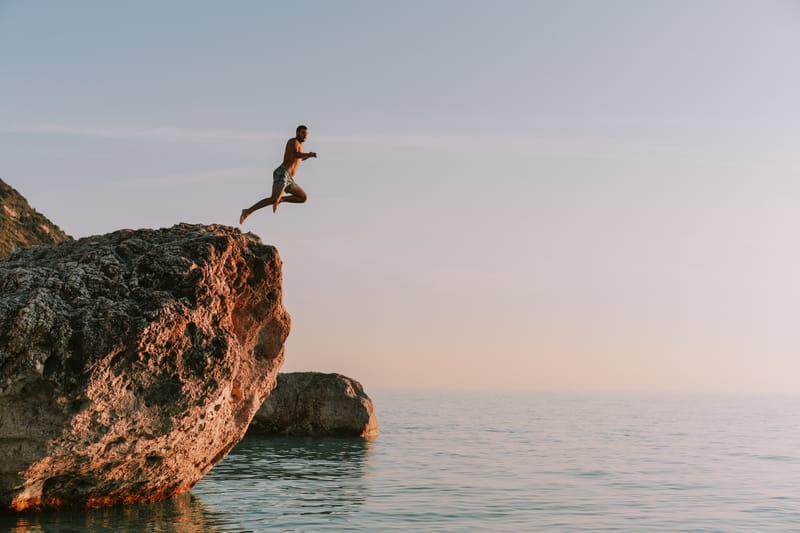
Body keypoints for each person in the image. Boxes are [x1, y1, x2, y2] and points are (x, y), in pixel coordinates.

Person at [240, 125, 317, 224]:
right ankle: (247, 211)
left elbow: (300, 158)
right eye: (303, 133)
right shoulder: (293, 142)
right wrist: (308, 154)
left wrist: (308, 156)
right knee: (273, 199)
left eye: (306, 134)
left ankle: (281, 199)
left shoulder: (301, 146)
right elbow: (295, 154)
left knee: (303, 197)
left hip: (289, 178)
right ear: (297, 133)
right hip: (282, 173)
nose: (305, 136)